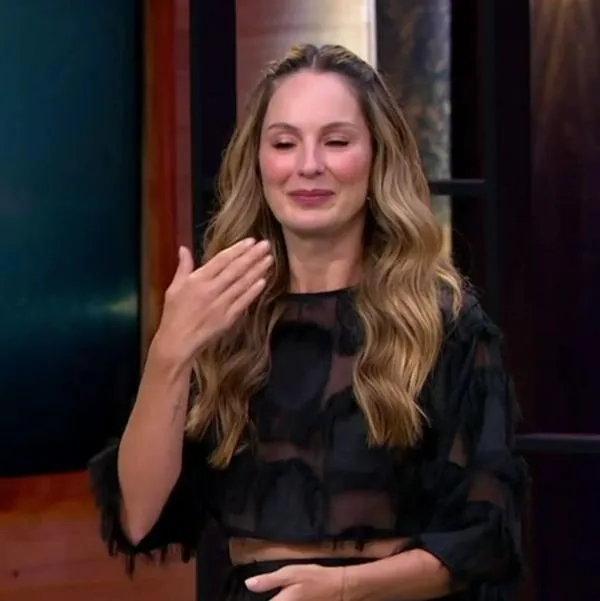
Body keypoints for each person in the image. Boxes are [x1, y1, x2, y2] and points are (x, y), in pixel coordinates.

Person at [89, 43, 527, 601]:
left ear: (377, 157)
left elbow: (488, 537)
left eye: (337, 142)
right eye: (284, 143)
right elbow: (138, 517)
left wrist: (344, 587)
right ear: (258, 161)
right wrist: (169, 354)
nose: (308, 165)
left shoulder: (444, 323)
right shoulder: (222, 316)